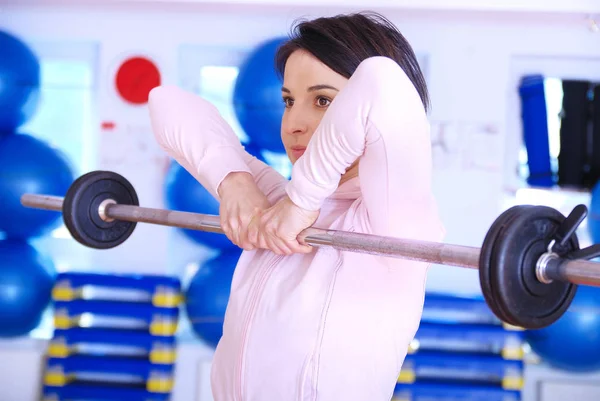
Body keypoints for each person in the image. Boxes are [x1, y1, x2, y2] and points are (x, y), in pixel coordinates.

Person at [149, 11, 445, 401]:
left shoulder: (396, 215)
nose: (293, 123)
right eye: (289, 100)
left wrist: (303, 201)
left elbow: (383, 80)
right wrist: (234, 182)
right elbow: (165, 101)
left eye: (322, 100)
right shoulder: (274, 201)